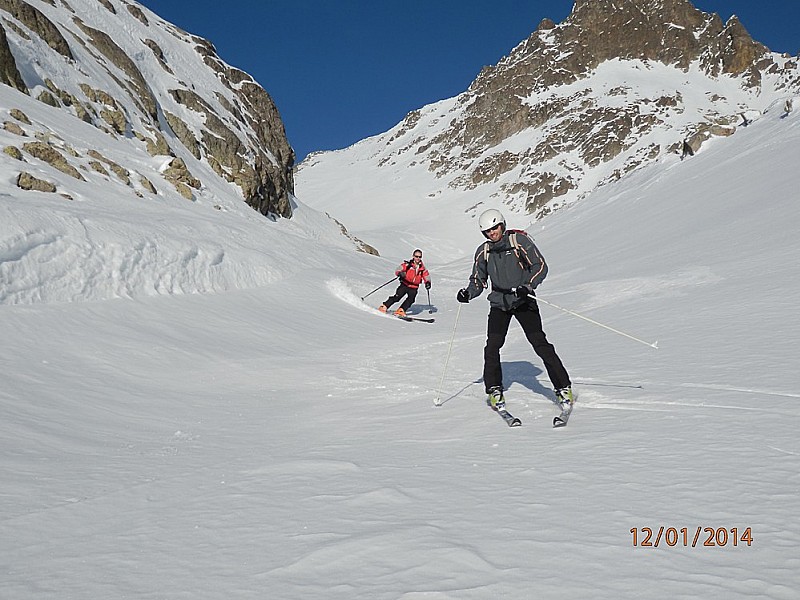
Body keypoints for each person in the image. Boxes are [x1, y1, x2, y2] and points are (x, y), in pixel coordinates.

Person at [456, 209, 574, 410]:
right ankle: (494, 388)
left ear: (502, 225)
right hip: (499, 303)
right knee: (492, 346)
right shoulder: (484, 251)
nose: (492, 233)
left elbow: (540, 266)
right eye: (488, 231)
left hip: (523, 300)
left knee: (539, 343)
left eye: (495, 228)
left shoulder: (518, 241)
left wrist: (528, 286)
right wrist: (468, 293)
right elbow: (478, 279)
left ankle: (563, 387)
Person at [379, 249, 431, 317]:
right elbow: (398, 269)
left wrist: (428, 282)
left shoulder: (422, 268)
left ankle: (401, 310)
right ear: (413, 256)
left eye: (419, 257)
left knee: (411, 299)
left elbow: (426, 276)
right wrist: (400, 273)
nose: (418, 258)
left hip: (414, 287)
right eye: (416, 256)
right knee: (397, 297)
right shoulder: (408, 264)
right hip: (405, 284)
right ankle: (384, 306)